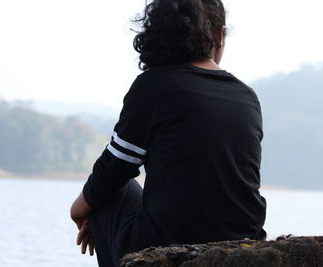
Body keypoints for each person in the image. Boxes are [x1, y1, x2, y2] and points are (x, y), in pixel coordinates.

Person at [70, 0, 267, 266]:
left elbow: (115, 167)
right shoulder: (246, 96)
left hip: (168, 246)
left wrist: (80, 210)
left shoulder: (155, 85)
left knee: (110, 190)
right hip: (244, 242)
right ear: (219, 36)